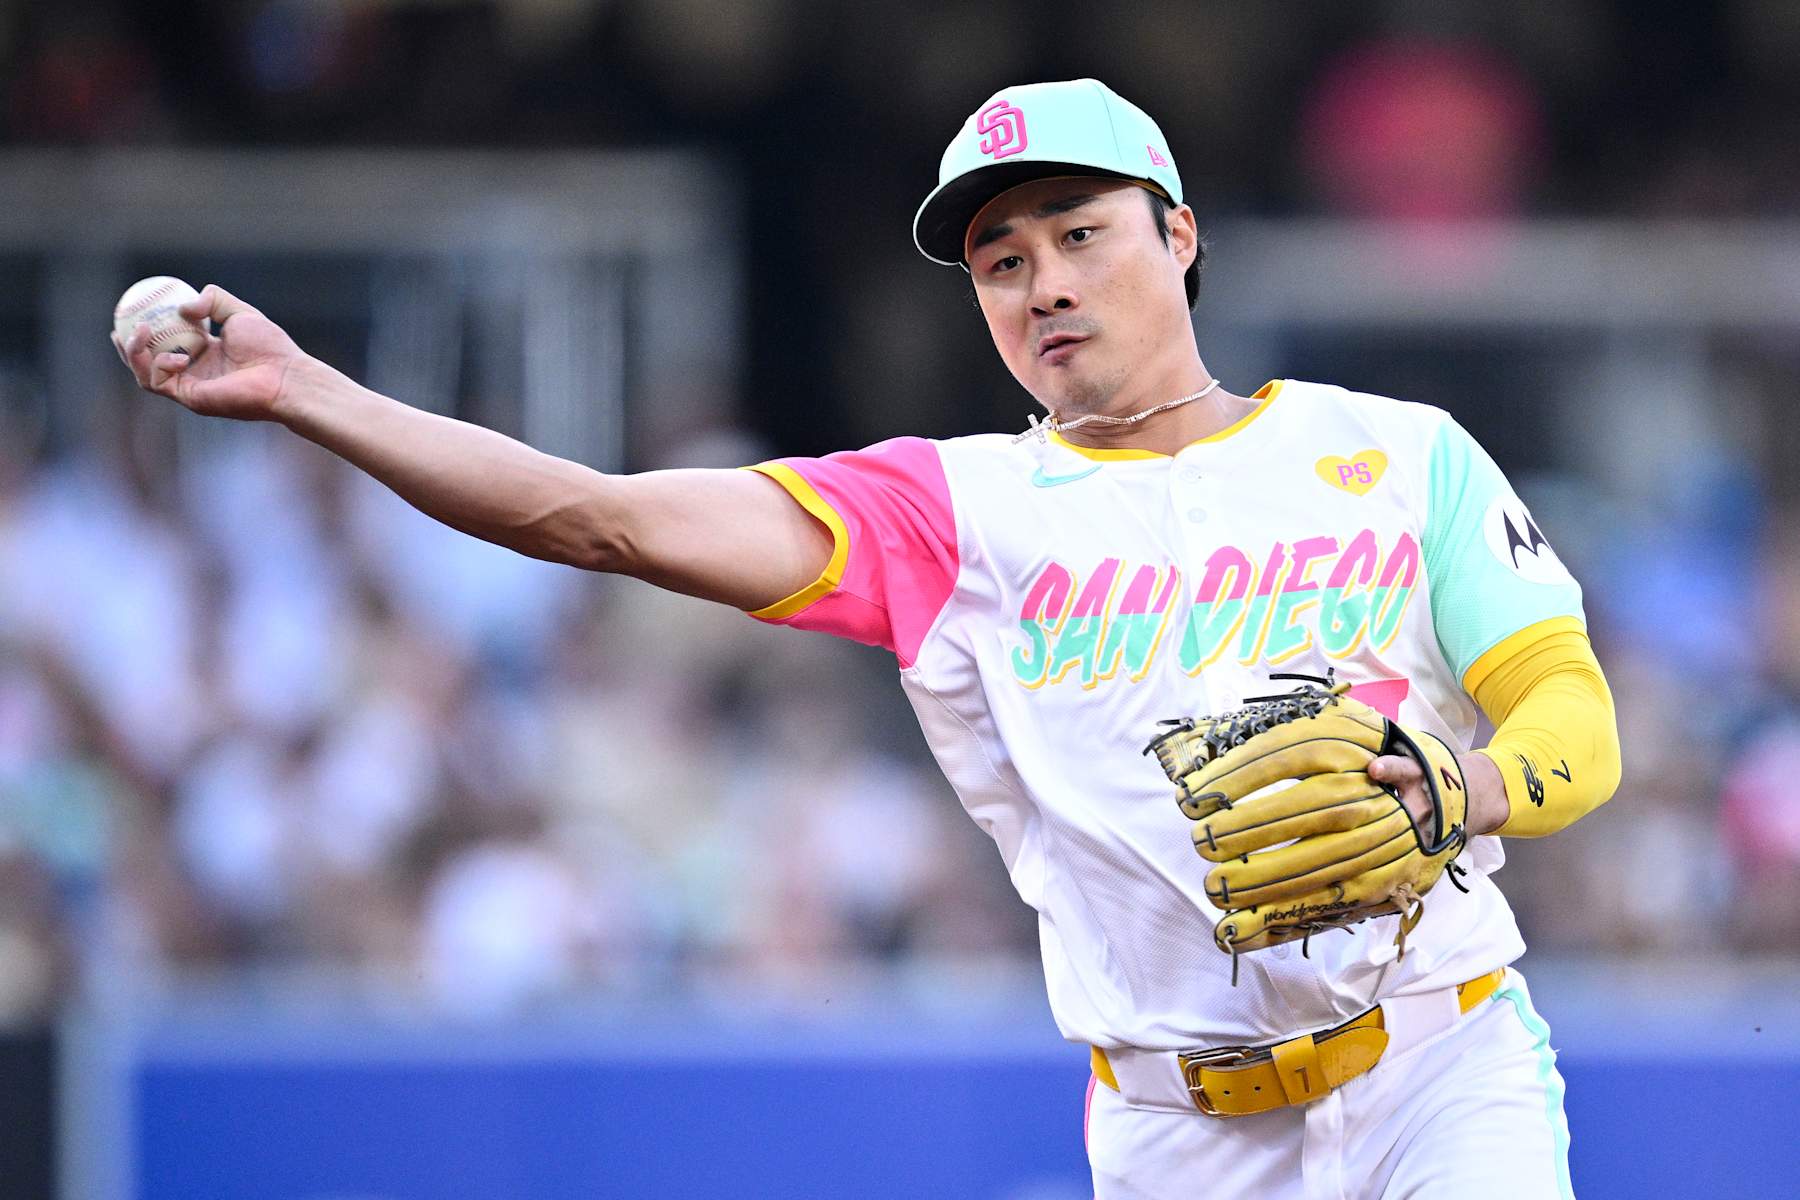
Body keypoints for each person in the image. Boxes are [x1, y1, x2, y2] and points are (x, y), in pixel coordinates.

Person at [117, 78, 1620, 1200]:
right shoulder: (951, 509)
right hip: (1180, 1129)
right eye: (1001, 260)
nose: (1045, 283)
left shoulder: (1398, 450)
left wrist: (1459, 787)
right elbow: (600, 519)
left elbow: (1569, 709)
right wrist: (313, 391)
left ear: (1179, 235)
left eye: (1080, 234)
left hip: (1440, 1065)